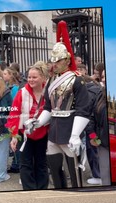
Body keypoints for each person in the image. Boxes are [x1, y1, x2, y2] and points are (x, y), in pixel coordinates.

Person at [27, 20, 91, 189]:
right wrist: (38, 122)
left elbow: (83, 110)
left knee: (74, 172)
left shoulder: (77, 80)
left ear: (66, 60)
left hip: (69, 129)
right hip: (54, 130)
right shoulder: (51, 81)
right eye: (52, 60)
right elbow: (49, 107)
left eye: (57, 61)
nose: (53, 64)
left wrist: (76, 134)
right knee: (54, 169)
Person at [6, 61, 50, 190]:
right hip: (24, 134)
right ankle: (29, 190)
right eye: (29, 77)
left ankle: (42, 189)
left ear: (42, 77)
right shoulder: (22, 92)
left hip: (44, 133)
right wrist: (14, 136)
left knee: (42, 163)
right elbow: (14, 114)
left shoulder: (49, 91)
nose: (30, 80)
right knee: (25, 164)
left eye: (34, 77)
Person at [84, 75, 110, 185]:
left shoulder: (98, 96)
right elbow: (91, 119)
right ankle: (99, 176)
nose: (103, 79)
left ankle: (99, 176)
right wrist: (93, 137)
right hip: (101, 141)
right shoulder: (99, 97)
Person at [3, 66, 22, 173]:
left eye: (5, 74)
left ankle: (17, 163)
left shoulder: (14, 88)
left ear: (10, 75)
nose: (3, 75)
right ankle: (16, 162)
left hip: (13, 117)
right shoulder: (7, 86)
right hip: (9, 117)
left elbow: (14, 105)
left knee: (16, 140)